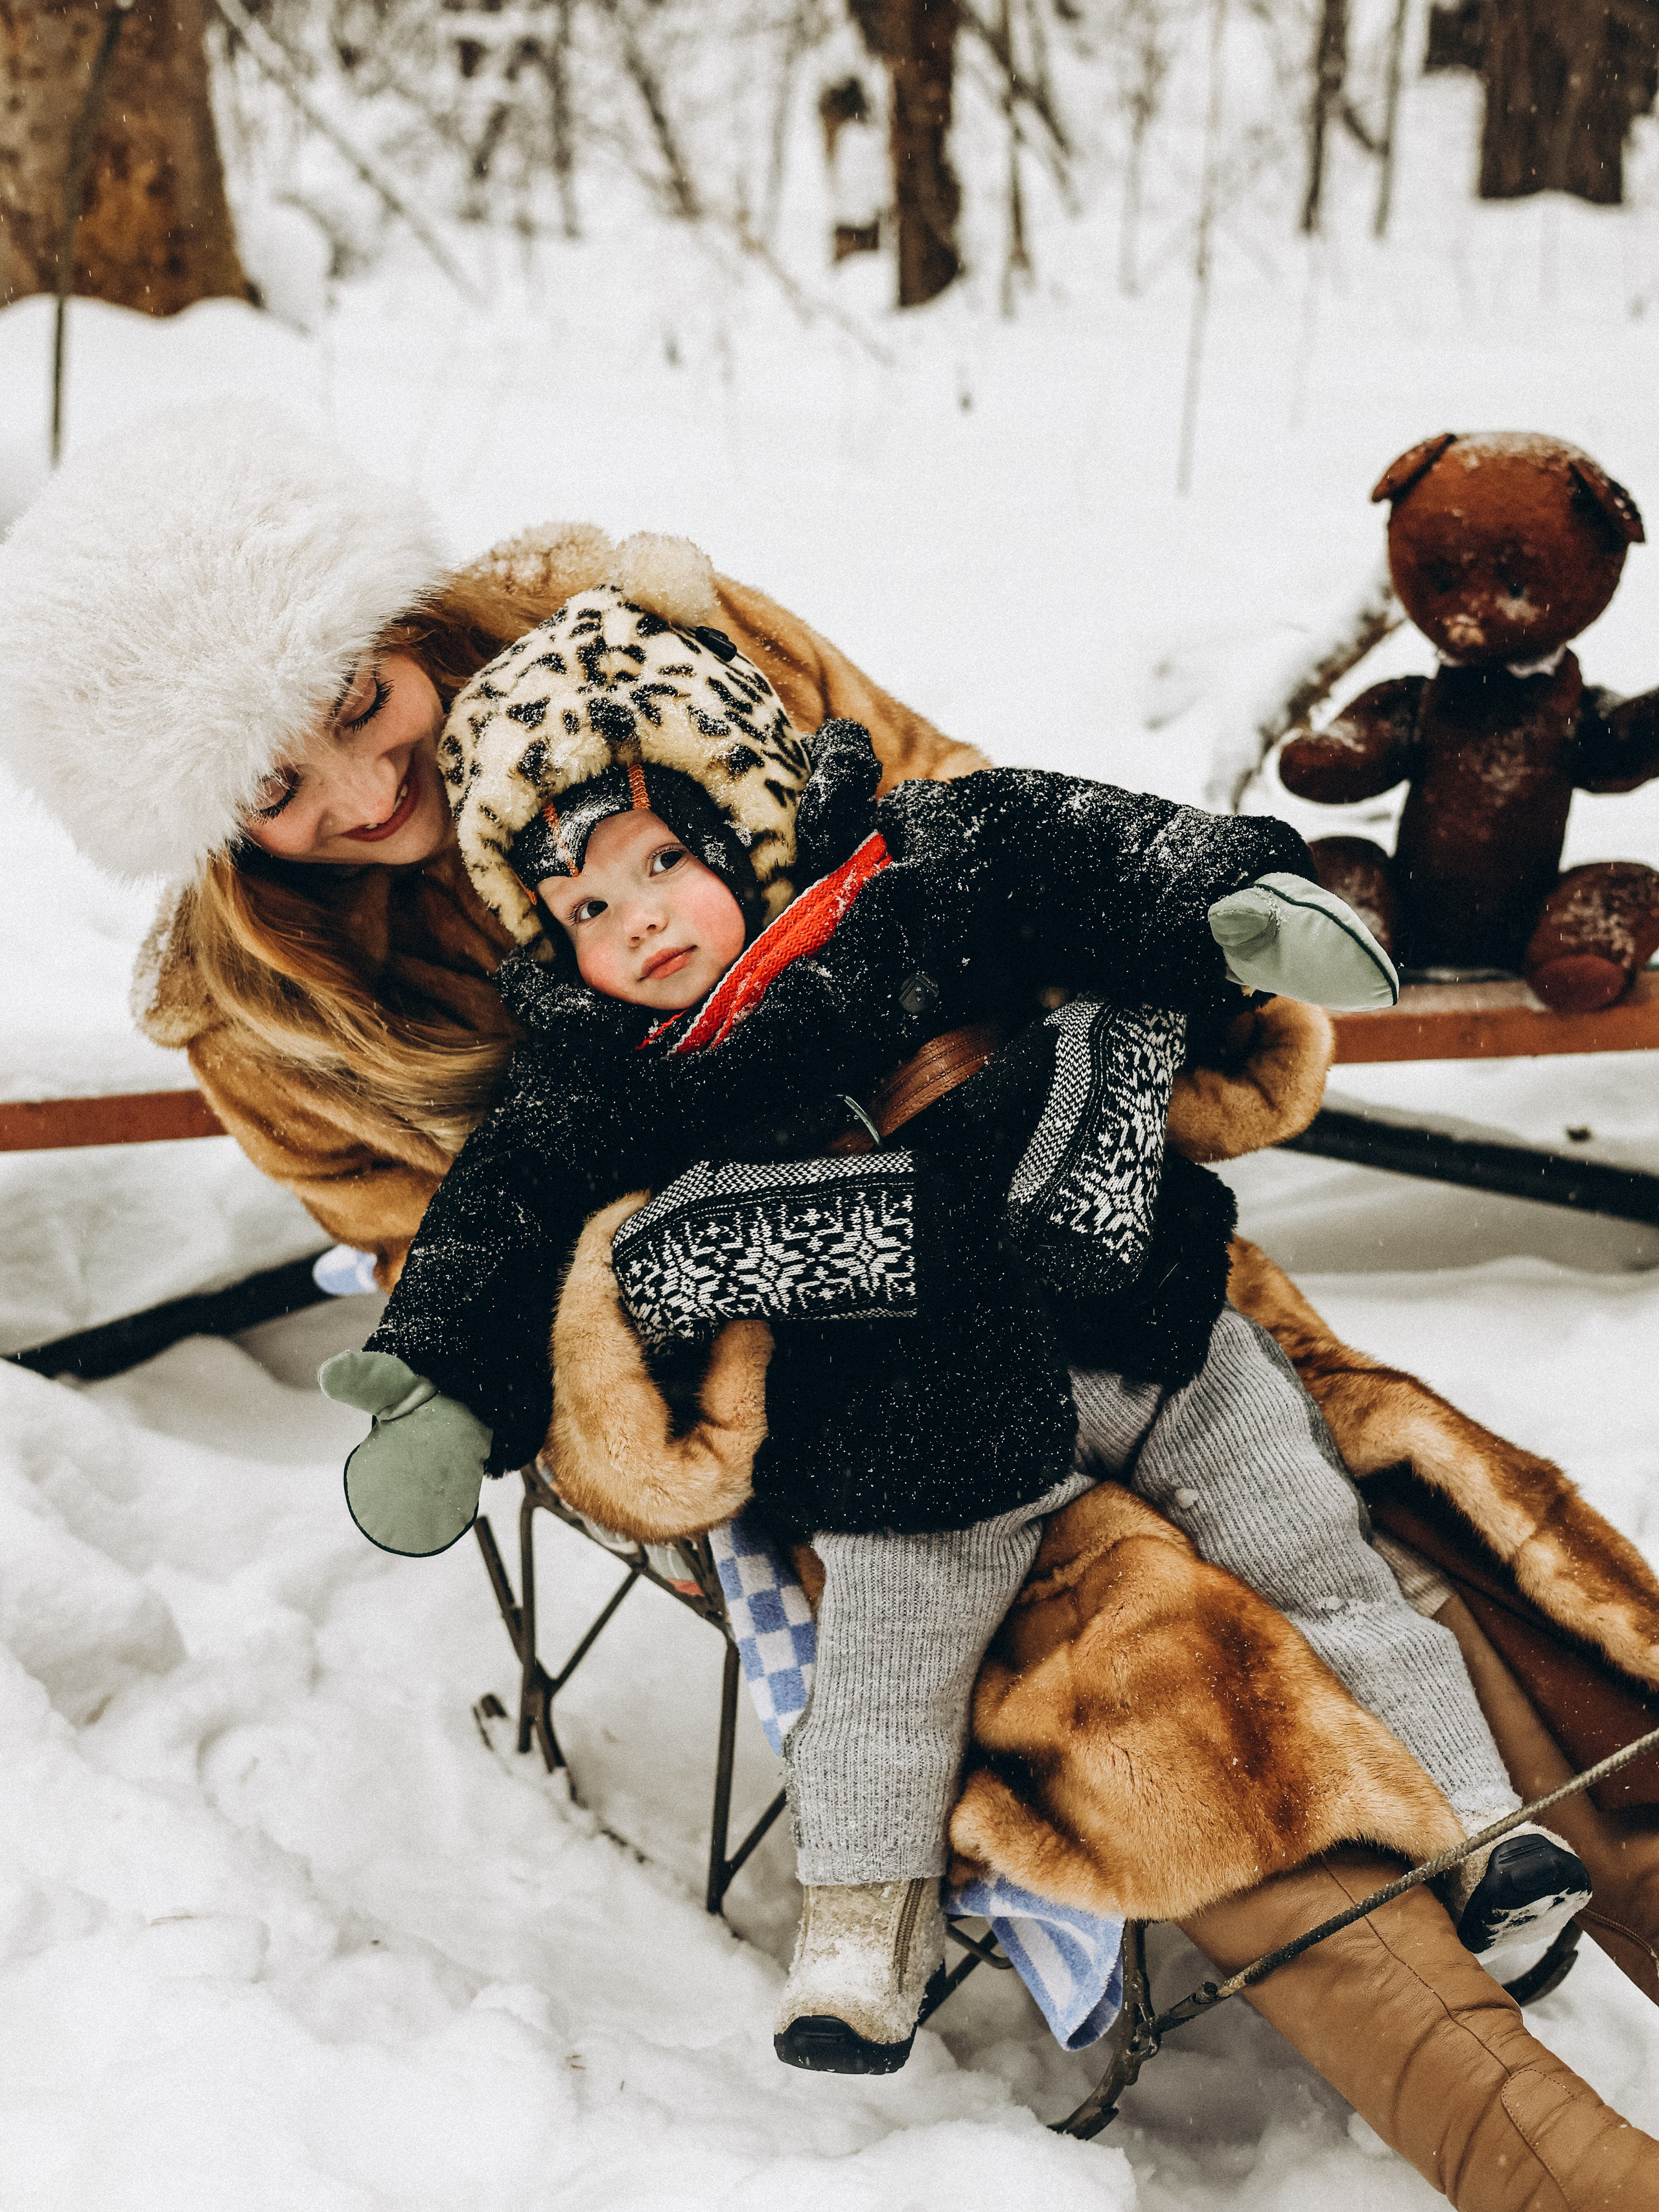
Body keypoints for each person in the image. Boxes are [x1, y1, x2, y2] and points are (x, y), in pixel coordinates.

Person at [0, 404, 1651, 2202]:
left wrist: (1141, 1021)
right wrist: (687, 1329)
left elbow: (958, 815)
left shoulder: (653, 642)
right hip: (794, 1380)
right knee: (1142, 1676)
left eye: (353, 701)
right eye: (274, 790)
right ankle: (1547, 2154)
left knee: (1404, 1505)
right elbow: (465, 1256)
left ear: (398, 619)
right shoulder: (270, 1013)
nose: (353, 789)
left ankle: (1587, 1846)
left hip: (1053, 1194)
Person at [318, 582, 1589, 2073]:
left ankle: (1481, 1829)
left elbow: (1081, 843)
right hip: (907, 1417)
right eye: (587, 907)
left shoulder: (918, 868)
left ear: (740, 822)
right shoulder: (602, 1068)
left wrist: (1227, 903)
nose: (639, 916)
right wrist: (442, 1378)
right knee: (882, 1675)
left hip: (1144, 1324)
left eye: (663, 860)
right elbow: (509, 1206)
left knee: (1319, 1559)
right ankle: (862, 1939)